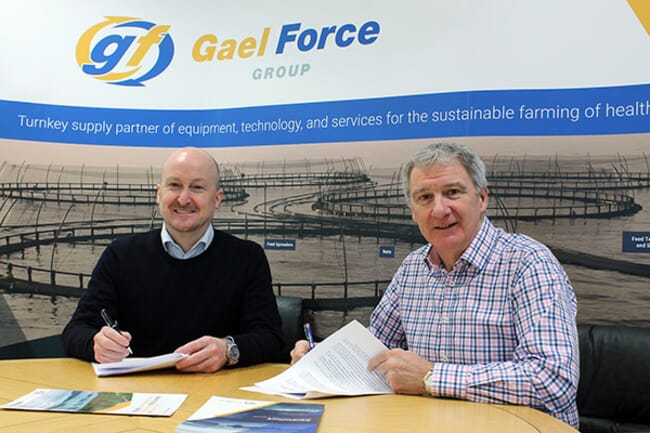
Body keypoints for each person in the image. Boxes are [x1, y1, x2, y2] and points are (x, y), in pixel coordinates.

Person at [290, 142, 579, 428]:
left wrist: (431, 377)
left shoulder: (529, 264)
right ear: (413, 212)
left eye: (452, 192)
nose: (439, 210)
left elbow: (552, 380)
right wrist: (322, 360)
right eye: (425, 197)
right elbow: (374, 352)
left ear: (482, 198)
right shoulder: (413, 269)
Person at [63, 147, 284, 373]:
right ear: (158, 194)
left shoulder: (247, 257)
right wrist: (96, 345)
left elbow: (271, 339)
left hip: (215, 396)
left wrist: (228, 350)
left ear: (217, 199)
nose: (184, 198)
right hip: (138, 396)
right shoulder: (120, 255)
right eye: (174, 185)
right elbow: (75, 331)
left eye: (197, 187)